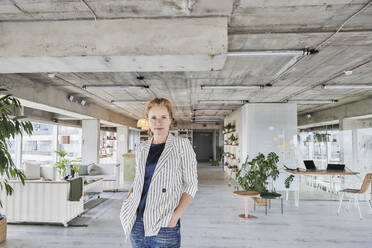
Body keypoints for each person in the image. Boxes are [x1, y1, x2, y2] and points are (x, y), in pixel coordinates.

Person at [120, 98, 198, 248]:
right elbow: (139, 179)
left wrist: (175, 217)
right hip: (136, 222)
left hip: (164, 224)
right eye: (153, 118)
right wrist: (128, 199)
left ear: (170, 120)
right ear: (148, 121)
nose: (158, 122)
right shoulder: (142, 148)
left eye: (163, 117)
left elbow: (191, 184)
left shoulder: (182, 145)